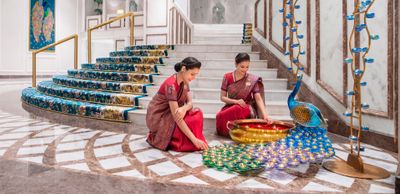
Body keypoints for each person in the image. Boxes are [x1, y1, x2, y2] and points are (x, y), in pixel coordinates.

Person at [146, 57, 208, 152]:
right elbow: (177, 117)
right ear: (183, 69)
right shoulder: (170, 85)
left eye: (195, 75)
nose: (193, 78)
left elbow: (190, 103)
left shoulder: (185, 82)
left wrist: (184, 108)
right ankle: (191, 141)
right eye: (192, 74)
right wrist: (194, 140)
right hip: (161, 118)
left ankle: (188, 139)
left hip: (175, 113)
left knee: (197, 114)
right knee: (190, 129)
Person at [216, 53, 273, 137]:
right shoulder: (227, 77)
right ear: (236, 64)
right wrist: (236, 101)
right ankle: (230, 132)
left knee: (238, 108)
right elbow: (222, 97)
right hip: (231, 105)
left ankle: (237, 130)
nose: (245, 69)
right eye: (242, 67)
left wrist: (265, 115)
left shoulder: (252, 79)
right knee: (219, 115)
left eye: (247, 67)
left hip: (246, 107)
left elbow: (258, 98)